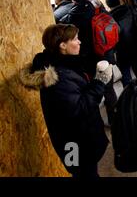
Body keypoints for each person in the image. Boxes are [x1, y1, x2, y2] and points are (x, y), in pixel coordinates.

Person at [20, 24, 112, 177]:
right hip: (74, 145)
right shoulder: (59, 78)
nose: (79, 42)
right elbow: (79, 108)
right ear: (62, 45)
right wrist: (100, 82)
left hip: (77, 139)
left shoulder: (66, 64)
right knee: (85, 173)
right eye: (75, 39)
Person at [105, 0, 137, 86]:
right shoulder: (131, 10)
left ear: (108, 5)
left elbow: (110, 36)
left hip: (121, 51)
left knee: (126, 76)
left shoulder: (109, 18)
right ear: (119, 1)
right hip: (136, 47)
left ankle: (129, 97)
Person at [60, 0, 96, 76]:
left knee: (83, 65)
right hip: (92, 39)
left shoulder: (73, 13)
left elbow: (64, 23)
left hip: (79, 42)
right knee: (92, 63)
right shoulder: (91, 6)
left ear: (74, 0)